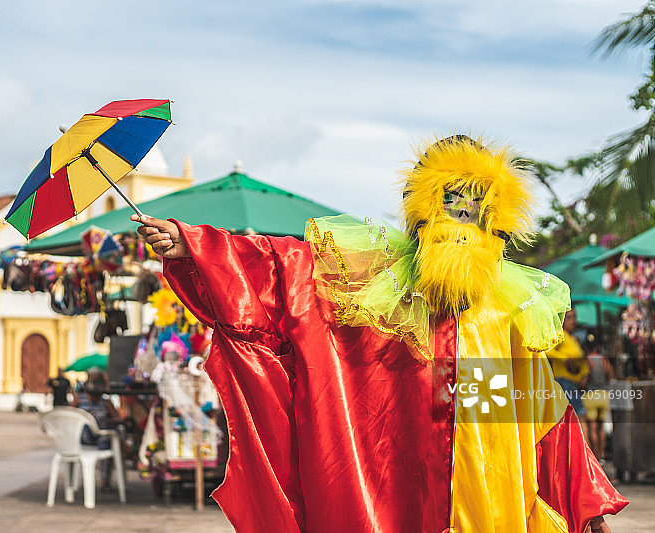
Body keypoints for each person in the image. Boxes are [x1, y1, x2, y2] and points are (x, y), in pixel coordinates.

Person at [133, 135, 626, 533]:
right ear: (422, 213)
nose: (460, 219)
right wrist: (196, 245)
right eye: (448, 202)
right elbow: (284, 270)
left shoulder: (506, 307)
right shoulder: (372, 288)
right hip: (390, 502)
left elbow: (542, 417)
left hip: (492, 507)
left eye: (474, 206)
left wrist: (587, 507)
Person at [71, 367, 125, 492]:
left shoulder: (106, 402)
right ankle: (126, 450)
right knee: (104, 428)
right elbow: (69, 417)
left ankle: (104, 480)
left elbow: (118, 419)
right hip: (83, 437)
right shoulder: (79, 399)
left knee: (107, 437)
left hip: (101, 436)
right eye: (94, 381)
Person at [546, 309, 591, 442]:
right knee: (576, 418)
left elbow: (581, 361)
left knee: (578, 418)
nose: (573, 321)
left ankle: (583, 453)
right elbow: (548, 350)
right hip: (563, 382)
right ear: (562, 321)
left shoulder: (572, 338)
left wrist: (584, 374)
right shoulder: (560, 336)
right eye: (569, 318)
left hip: (573, 384)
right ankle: (583, 453)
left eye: (574, 317)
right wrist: (565, 359)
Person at [583, 337, 613, 462]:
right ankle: (601, 455)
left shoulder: (586, 360)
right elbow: (610, 374)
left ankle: (594, 457)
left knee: (592, 428)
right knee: (601, 427)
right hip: (603, 395)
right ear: (597, 347)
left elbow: (584, 379)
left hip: (590, 396)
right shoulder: (603, 359)